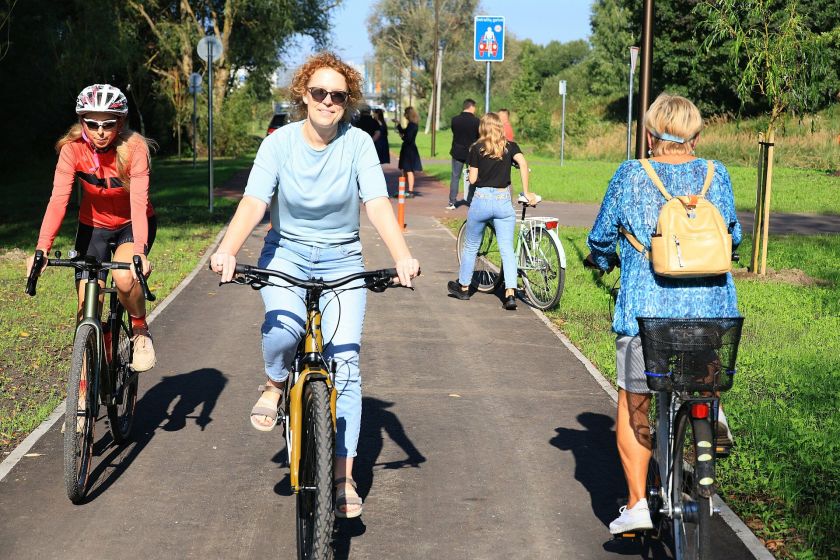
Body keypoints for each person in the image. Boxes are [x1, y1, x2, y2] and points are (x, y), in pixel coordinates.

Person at [209, 52, 420, 519]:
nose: (328, 101)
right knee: (283, 329)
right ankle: (273, 383)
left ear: (348, 101)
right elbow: (254, 200)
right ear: (302, 95)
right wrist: (228, 249)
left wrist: (402, 257)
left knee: (345, 362)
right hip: (286, 252)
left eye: (338, 95)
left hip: (343, 257)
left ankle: (342, 478)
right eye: (319, 93)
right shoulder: (279, 143)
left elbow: (378, 204)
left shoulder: (359, 144)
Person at [584, 93, 741, 534]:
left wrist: (602, 259)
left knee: (635, 402)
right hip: (711, 313)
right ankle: (708, 409)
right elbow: (736, 237)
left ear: (650, 135)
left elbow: (600, 237)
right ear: (696, 136)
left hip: (645, 314)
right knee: (700, 367)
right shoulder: (717, 174)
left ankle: (636, 504)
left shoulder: (631, 174)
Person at [27, 84, 157, 372]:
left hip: (132, 225)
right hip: (92, 227)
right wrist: (42, 248)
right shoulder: (72, 151)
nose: (100, 131)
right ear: (81, 122)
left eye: (108, 124)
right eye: (92, 123)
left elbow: (138, 203)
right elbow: (58, 200)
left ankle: (140, 331)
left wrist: (139, 253)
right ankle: (91, 365)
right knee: (88, 302)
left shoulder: (135, 149)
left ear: (120, 123)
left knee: (124, 278)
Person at [448, 112, 537, 310]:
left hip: (481, 200)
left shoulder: (476, 148)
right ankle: (510, 294)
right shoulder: (510, 146)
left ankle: (463, 287)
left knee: (471, 246)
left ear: (483, 128)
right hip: (503, 201)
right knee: (507, 249)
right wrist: (526, 190)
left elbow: (472, 180)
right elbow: (523, 163)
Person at [448, 99, 480, 210]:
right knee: (474, 176)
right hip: (472, 153)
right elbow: (478, 136)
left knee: (455, 176)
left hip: (457, 151)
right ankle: (472, 200)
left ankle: (452, 201)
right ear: (472, 107)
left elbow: (454, 133)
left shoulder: (455, 120)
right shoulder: (477, 121)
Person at [396, 106, 422, 197]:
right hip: (409, 148)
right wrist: (399, 125)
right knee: (406, 170)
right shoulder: (413, 124)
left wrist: (402, 137)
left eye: (405, 113)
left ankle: (410, 191)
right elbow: (405, 132)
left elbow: (408, 138)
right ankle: (406, 190)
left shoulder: (412, 125)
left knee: (409, 170)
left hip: (409, 149)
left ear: (408, 114)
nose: (404, 115)